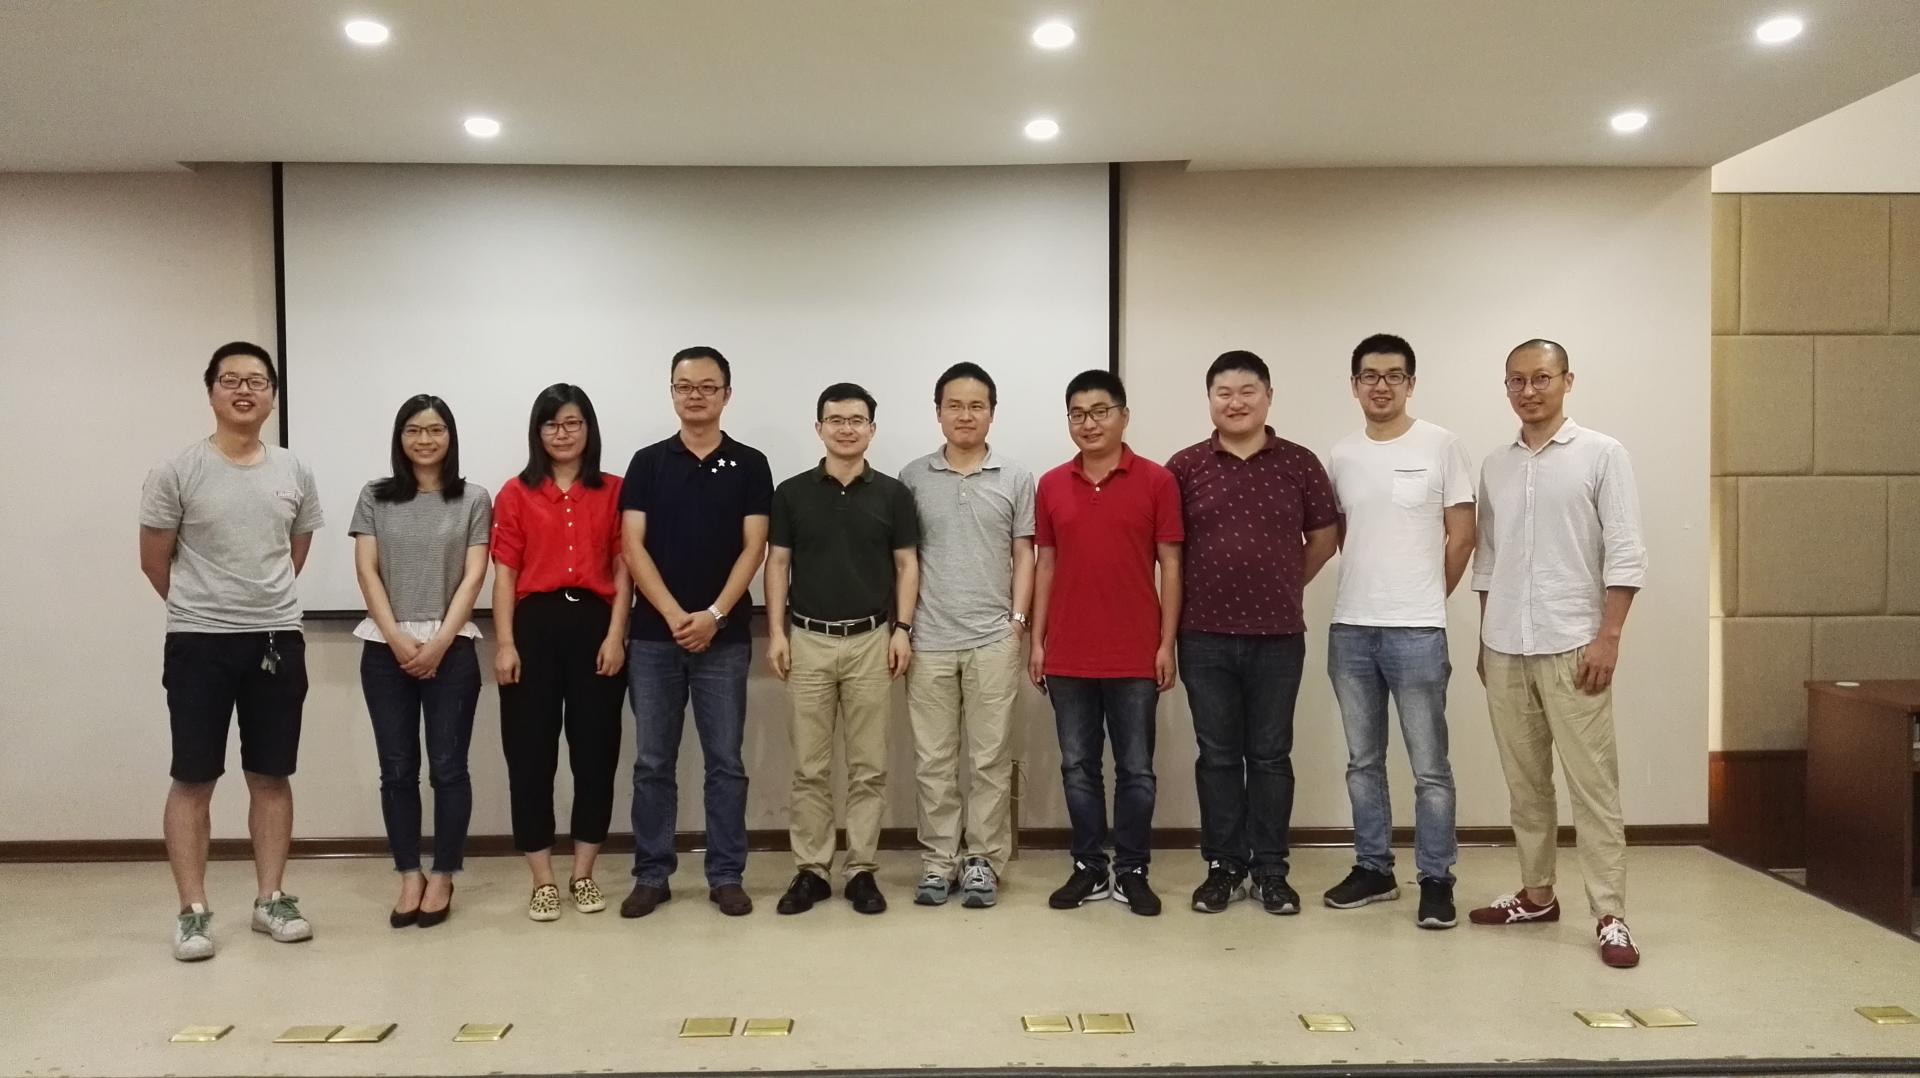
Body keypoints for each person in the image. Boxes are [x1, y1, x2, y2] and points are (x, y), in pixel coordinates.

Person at [139, 341, 322, 961]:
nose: (244, 390)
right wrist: (206, 610)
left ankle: (271, 899)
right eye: (231, 380)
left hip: (276, 640)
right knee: (193, 777)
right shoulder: (177, 470)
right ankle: (193, 912)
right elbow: (154, 561)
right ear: (211, 390)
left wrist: (257, 606)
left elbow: (294, 554)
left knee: (271, 775)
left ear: (272, 395)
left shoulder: (294, 471)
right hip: (198, 643)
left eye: (257, 381)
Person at [1469, 339, 1647, 969]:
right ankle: (1538, 895)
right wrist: (1486, 636)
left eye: (1541, 377)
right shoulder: (1495, 464)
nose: (1529, 390)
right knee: (1525, 784)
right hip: (1505, 646)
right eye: (1516, 380)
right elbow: (1488, 558)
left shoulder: (1602, 454)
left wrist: (1609, 637)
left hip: (1575, 644)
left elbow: (1625, 552)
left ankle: (1611, 914)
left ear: (1567, 380)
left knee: (1593, 786)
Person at [1167, 351, 1337, 916]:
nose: (1235, 402)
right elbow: (1167, 550)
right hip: (1203, 636)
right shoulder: (1185, 466)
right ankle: (1223, 867)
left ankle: (1270, 870)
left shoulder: (1299, 463)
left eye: (1247, 391)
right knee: (1217, 756)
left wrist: (1285, 580)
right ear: (1209, 400)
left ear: (1268, 396)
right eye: (1223, 392)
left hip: (1278, 636)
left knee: (1269, 756)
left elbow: (1324, 536)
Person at [1323, 334, 1473, 928]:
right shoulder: (1341, 454)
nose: (1380, 386)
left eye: (1393, 375)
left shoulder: (1441, 444)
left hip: (1417, 631)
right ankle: (1374, 869)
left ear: (1411, 383)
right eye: (1369, 375)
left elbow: (1462, 535)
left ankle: (1436, 878)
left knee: (1429, 766)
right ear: (1354, 384)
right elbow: (1338, 535)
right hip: (1351, 629)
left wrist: (1426, 598)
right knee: (1363, 761)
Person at [619, 347, 771, 919]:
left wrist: (713, 615)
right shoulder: (647, 463)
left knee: (725, 762)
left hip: (723, 641)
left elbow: (754, 547)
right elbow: (632, 545)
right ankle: (652, 874)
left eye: (708, 387)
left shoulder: (751, 464)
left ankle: (726, 874)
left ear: (726, 394)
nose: (696, 396)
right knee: (652, 762)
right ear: (672, 393)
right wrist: (674, 615)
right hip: (653, 639)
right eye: (686, 386)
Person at [1030, 369, 1183, 917]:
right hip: (1068, 653)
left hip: (1135, 652)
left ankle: (1133, 869)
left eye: (1100, 411)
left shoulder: (1157, 481)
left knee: (1136, 769)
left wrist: (1166, 643)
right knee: (1078, 766)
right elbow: (1045, 563)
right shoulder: (1052, 484)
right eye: (1077, 414)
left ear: (1123, 416)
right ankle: (1089, 867)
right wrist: (1037, 640)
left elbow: (1171, 565)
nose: (1088, 423)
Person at [764, 383, 919, 916]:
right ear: (819, 428)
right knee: (809, 767)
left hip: (872, 640)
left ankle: (861, 870)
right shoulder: (792, 493)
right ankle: (811, 869)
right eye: (836, 420)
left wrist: (902, 628)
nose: (846, 428)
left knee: (869, 766)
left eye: (856, 420)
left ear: (872, 429)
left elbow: (907, 565)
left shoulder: (893, 494)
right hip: (807, 640)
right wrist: (777, 633)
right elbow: (778, 563)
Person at [350, 394, 491, 929]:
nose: (425, 440)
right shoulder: (375, 495)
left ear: (450, 437)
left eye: (435, 430)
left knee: (449, 768)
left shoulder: (473, 498)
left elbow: (474, 576)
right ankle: (409, 873)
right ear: (400, 437)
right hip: (384, 648)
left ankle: (444, 873)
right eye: (413, 430)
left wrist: (438, 643)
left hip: (452, 648)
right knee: (397, 769)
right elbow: (367, 570)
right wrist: (395, 636)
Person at [492, 384, 630, 923]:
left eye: (573, 423)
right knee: (530, 756)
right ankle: (543, 879)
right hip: (533, 627)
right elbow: (505, 575)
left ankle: (584, 873)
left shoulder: (614, 490)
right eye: (551, 424)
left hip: (596, 625)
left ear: (588, 428)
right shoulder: (515, 493)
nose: (562, 433)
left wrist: (616, 635)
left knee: (596, 753)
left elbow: (623, 569)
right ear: (538, 432)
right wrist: (506, 643)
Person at [899, 362, 1035, 909]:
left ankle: (983, 860)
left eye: (976, 405)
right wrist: (904, 627)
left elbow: (1024, 553)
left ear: (992, 413)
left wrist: (1018, 622)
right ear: (938, 413)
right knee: (933, 760)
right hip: (929, 639)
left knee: (990, 758)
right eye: (954, 405)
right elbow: (904, 560)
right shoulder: (911, 477)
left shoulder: (1016, 477)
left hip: (992, 639)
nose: (965, 415)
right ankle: (938, 860)